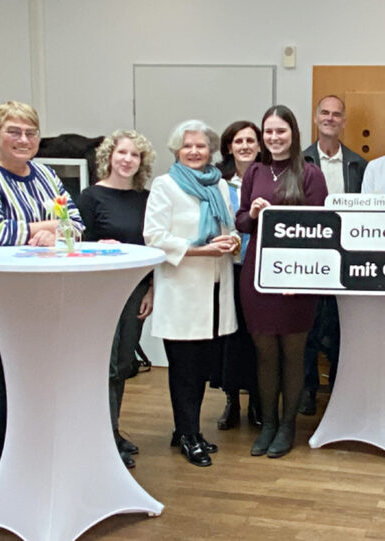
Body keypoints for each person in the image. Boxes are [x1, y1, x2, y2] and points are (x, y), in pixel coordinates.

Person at [0, 100, 83, 473]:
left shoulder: (45, 174)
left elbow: (76, 225)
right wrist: (47, 227)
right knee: (9, 381)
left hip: (32, 295)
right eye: (14, 131)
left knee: (35, 379)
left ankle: (35, 457)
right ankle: (7, 466)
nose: (24, 140)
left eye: (30, 133)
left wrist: (51, 230)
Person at [143, 119, 239, 467]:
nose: (195, 151)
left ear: (211, 150)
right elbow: (154, 237)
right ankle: (188, 435)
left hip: (215, 290)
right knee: (184, 369)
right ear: (177, 151)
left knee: (201, 369)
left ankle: (186, 429)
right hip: (182, 292)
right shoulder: (165, 185)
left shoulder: (221, 185)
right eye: (188, 146)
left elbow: (230, 226)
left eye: (201, 146)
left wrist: (232, 241)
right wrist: (200, 250)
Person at [236, 105, 328, 458]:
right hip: (258, 274)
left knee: (292, 353)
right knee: (264, 353)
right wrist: (253, 213)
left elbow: (321, 229)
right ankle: (269, 423)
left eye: (281, 131)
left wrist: (301, 275)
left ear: (293, 133)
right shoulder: (254, 171)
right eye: (269, 132)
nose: (274, 138)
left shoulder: (310, 173)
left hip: (296, 277)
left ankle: (288, 425)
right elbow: (241, 221)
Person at [77, 129, 155, 469]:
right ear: (109, 156)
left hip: (134, 290)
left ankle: (112, 430)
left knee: (124, 364)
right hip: (98, 293)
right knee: (104, 367)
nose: (127, 159)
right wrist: (98, 247)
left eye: (135, 154)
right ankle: (103, 437)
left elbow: (152, 246)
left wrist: (151, 288)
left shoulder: (146, 198)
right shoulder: (90, 197)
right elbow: (75, 244)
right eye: (122, 152)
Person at [299, 95, 367, 416]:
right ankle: (308, 390)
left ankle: (341, 391)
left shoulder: (358, 165)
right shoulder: (299, 163)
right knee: (308, 326)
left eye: (336, 114)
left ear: (344, 121)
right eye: (324, 113)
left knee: (343, 328)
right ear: (315, 118)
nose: (330, 118)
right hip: (309, 257)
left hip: (346, 259)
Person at [213, 120, 262, 430]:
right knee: (231, 338)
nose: (244, 146)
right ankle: (232, 400)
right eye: (238, 141)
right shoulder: (217, 182)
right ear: (229, 147)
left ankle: (258, 400)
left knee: (258, 338)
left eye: (250, 140)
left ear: (259, 145)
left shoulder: (269, 179)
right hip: (229, 269)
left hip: (260, 271)